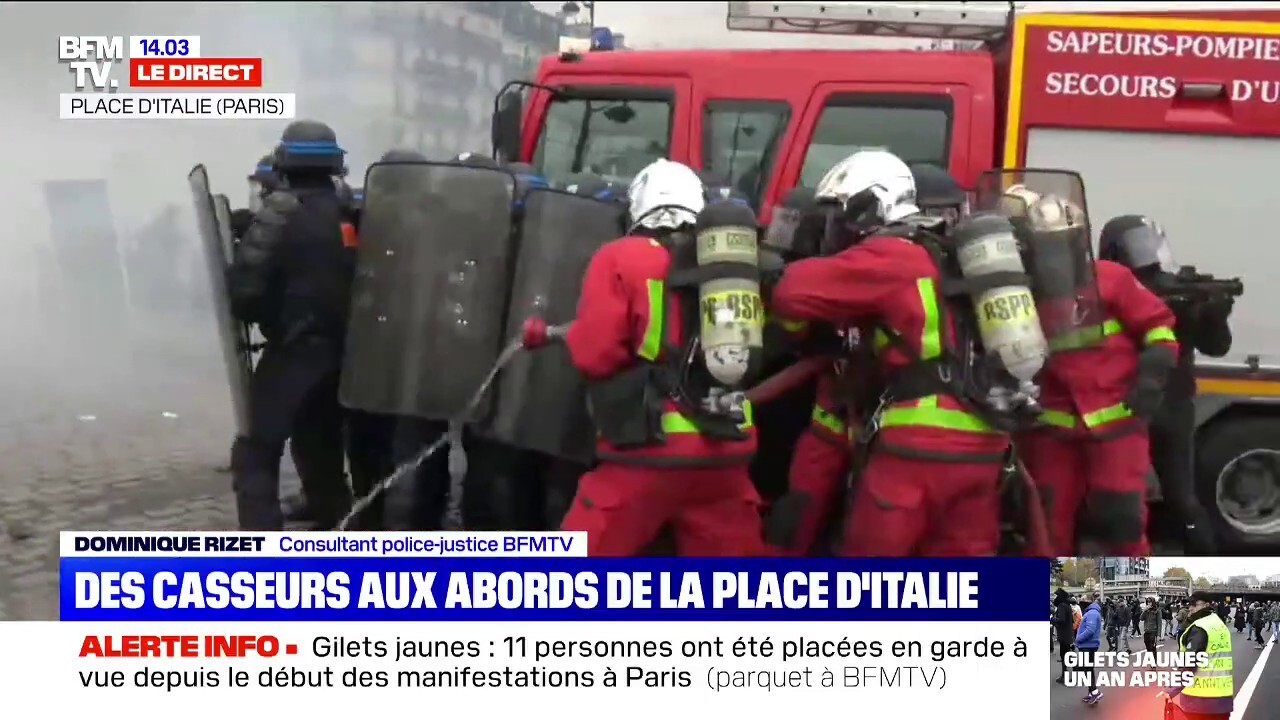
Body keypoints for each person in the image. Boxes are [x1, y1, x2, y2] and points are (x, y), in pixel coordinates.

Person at [769, 150, 1012, 556]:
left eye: (840, 212)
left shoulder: (890, 255)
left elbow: (791, 293)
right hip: (984, 439)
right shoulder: (943, 251)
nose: (836, 225)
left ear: (869, 206)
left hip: (920, 445)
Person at [524, 158, 764, 556]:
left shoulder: (620, 257)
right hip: (727, 454)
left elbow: (596, 355)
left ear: (636, 209)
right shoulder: (725, 265)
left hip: (651, 451)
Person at [1014, 200, 1178, 556]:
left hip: (1117, 423)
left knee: (1121, 520)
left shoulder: (1111, 279)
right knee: (1045, 523)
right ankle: (1043, 604)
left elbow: (1159, 328)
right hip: (1051, 430)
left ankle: (1135, 602)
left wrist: (1152, 373)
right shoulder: (1022, 293)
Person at [226, 120, 355, 530]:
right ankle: (334, 515)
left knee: (257, 450)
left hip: (294, 349)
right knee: (319, 437)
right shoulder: (349, 209)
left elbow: (245, 293)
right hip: (342, 352)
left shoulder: (278, 213)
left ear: (284, 161)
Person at [1100, 215, 1233, 554]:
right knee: (1129, 499)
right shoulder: (1112, 288)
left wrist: (1215, 314)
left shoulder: (1176, 290)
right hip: (1134, 405)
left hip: (1160, 407)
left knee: (1177, 499)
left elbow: (1217, 346)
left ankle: (1210, 572)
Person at [1167, 591, 1233, 720]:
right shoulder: (1219, 625)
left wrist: (1172, 689)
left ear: (1206, 605)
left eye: (1194, 604)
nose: (1190, 608)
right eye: (1188, 604)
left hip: (1200, 700)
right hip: (1222, 699)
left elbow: (1190, 662)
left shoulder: (1199, 627)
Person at [1075, 591, 1103, 705]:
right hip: (1088, 645)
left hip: (1088, 645)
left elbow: (1090, 630)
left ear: (1088, 602)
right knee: (1087, 669)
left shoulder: (1091, 613)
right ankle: (1091, 693)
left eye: (1082, 600)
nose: (1080, 602)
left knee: (1086, 669)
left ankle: (1095, 692)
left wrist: (1078, 639)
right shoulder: (1091, 612)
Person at [1053, 588, 1076, 682]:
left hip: (1063, 634)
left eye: (1056, 596)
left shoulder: (1061, 606)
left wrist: (1053, 619)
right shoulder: (1067, 605)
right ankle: (1071, 674)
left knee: (1065, 655)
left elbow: (1061, 620)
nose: (1055, 598)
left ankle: (1066, 675)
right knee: (1068, 655)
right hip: (1068, 633)